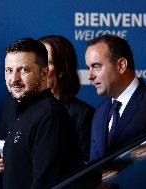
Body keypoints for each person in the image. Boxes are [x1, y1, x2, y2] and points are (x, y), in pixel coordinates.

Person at [0, 38, 78, 189]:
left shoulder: (51, 116)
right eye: (9, 70)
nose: (14, 79)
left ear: (44, 73)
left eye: (24, 70)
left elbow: (45, 183)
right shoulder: (22, 109)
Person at [85, 34, 146, 161]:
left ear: (121, 65)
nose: (90, 76)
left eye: (97, 66)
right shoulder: (101, 111)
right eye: (89, 68)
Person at [39, 35, 95, 164]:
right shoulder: (17, 105)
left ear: (61, 70)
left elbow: (86, 165)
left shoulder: (83, 114)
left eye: (46, 63)